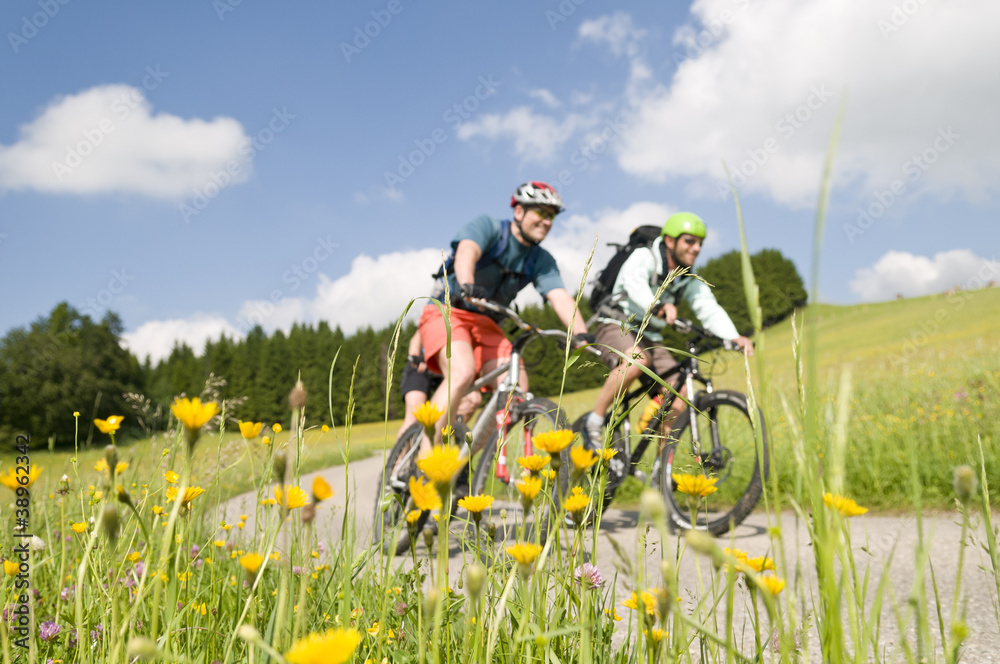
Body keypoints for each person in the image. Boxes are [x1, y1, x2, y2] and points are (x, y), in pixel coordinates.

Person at [417, 181, 593, 449]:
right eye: (541, 212)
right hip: (448, 310)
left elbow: (559, 296)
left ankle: (469, 461)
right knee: (461, 372)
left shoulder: (540, 259)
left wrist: (579, 333)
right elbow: (467, 250)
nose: (547, 221)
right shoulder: (489, 227)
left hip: (487, 322)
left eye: (552, 216)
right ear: (519, 212)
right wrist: (466, 283)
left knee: (517, 389)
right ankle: (425, 459)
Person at [582, 212, 754, 450]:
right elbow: (634, 283)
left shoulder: (687, 279)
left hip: (651, 336)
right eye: (690, 241)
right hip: (616, 323)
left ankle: (661, 472)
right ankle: (594, 421)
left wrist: (733, 337)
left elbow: (708, 309)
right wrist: (658, 304)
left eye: (700, 243)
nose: (696, 248)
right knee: (636, 360)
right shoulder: (645, 255)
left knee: (679, 395)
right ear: (670, 241)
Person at [395, 329, 480, 441]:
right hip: (421, 367)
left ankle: (450, 430)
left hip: (444, 368)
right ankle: (399, 458)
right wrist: (416, 357)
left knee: (473, 399)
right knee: (414, 414)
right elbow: (416, 338)